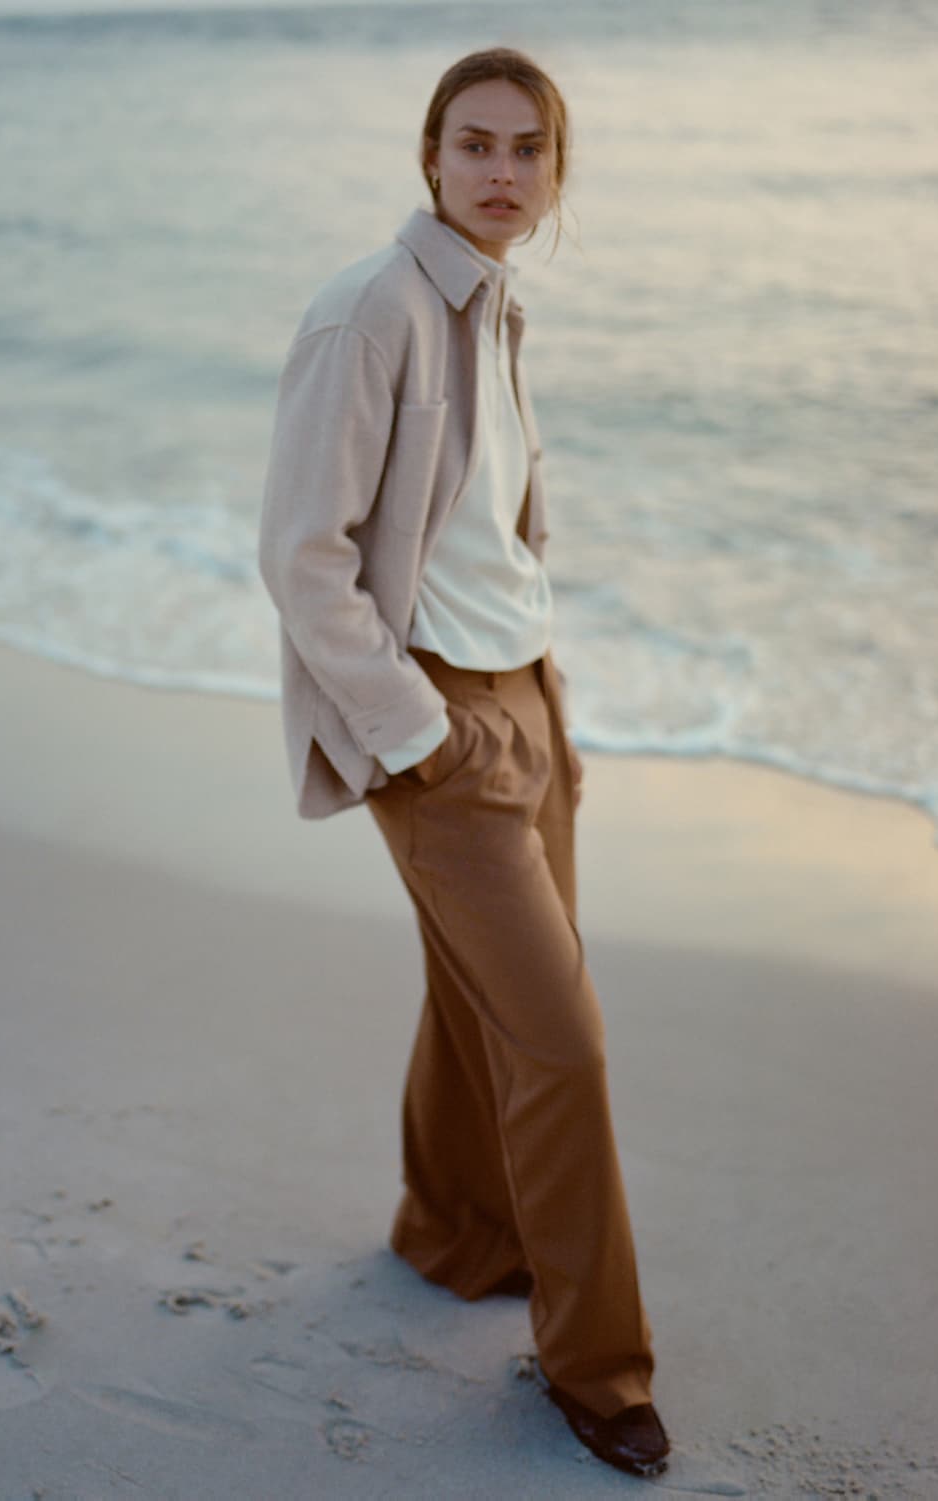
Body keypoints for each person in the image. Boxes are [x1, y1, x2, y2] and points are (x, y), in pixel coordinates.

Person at [258, 46, 668, 1479]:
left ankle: (454, 1233)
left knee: (475, 992)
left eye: (529, 151)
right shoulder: (368, 313)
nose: (502, 172)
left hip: (528, 706)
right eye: (475, 145)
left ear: (557, 176)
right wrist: (420, 735)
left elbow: (492, 526)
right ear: (429, 157)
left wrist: (544, 700)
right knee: (564, 1036)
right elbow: (302, 558)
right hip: (433, 722)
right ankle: (598, 1365)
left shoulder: (496, 308)